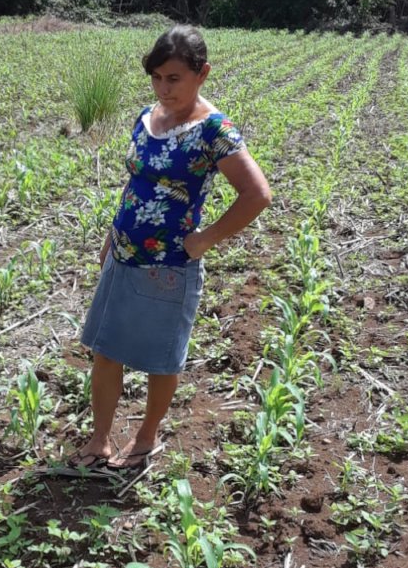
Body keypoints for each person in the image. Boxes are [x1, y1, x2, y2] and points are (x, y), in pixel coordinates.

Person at [76, 25, 272, 471]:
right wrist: (112, 235)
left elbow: (257, 194)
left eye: (174, 79)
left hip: (168, 265)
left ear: (202, 73)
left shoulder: (212, 130)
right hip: (124, 255)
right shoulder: (148, 117)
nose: (164, 88)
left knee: (160, 358)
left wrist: (203, 240)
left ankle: (145, 440)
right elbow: (135, 182)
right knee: (106, 350)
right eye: (157, 77)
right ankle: (100, 440)